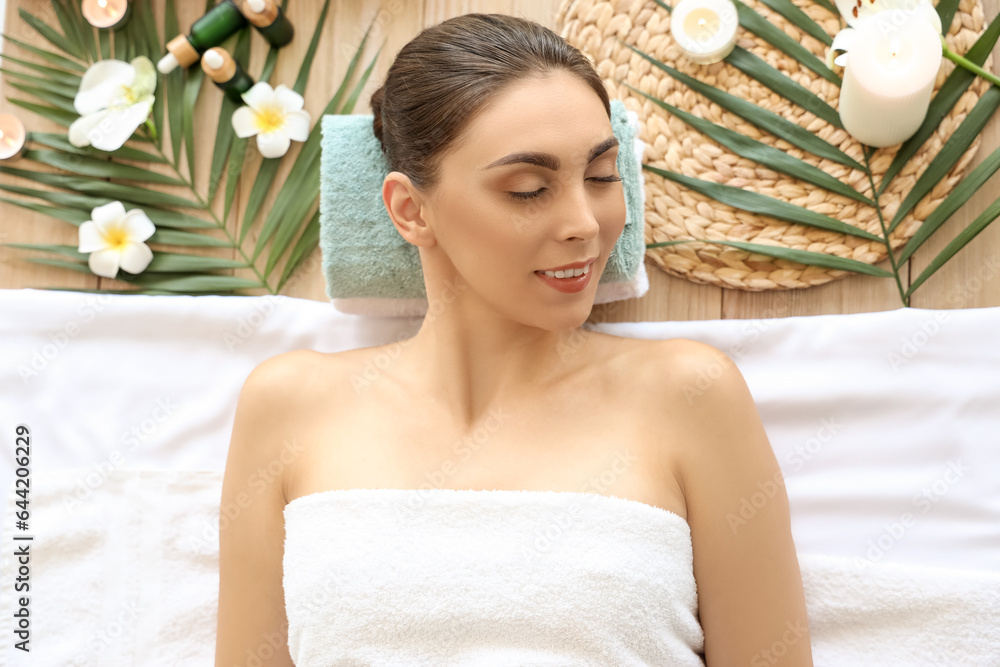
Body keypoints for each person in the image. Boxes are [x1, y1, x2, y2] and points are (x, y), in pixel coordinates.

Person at [215, 12, 813, 666]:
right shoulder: (290, 406)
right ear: (411, 210)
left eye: (603, 174)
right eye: (529, 189)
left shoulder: (689, 395)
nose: (584, 223)